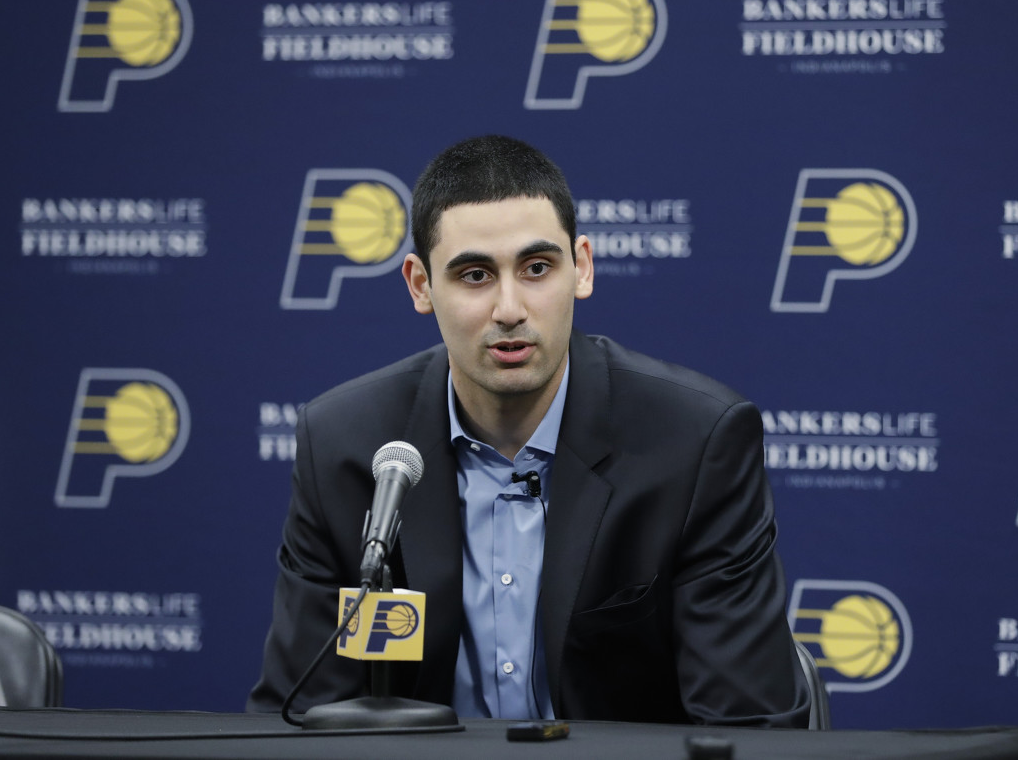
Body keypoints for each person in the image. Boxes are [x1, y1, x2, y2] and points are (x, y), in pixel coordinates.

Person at [247, 134, 810, 727]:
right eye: (474, 275)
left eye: (537, 268)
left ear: (582, 267)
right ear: (420, 285)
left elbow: (749, 729)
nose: (510, 309)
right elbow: (297, 721)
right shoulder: (344, 444)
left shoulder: (696, 442)